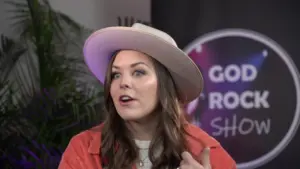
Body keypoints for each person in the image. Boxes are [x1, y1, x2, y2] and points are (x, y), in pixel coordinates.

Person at [58, 23, 236, 169]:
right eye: (115, 75)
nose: (124, 83)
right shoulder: (83, 149)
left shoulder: (206, 151)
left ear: (166, 85)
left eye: (138, 72)